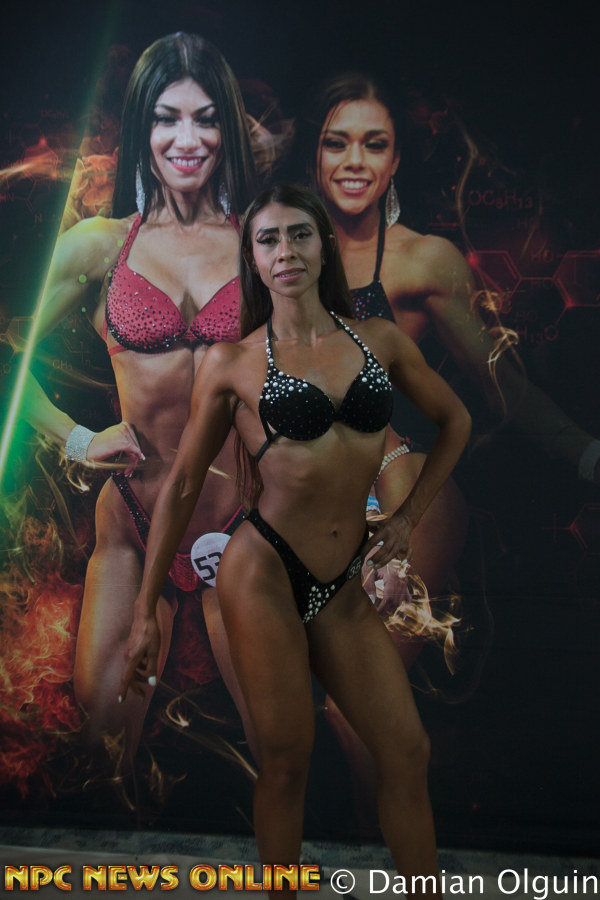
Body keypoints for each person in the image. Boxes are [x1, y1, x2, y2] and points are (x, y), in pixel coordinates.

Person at [121, 184, 472, 893]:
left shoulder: (378, 341)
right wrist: (144, 609)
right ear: (252, 258)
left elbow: (455, 421)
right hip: (264, 574)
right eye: (269, 239)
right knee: (285, 763)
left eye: (300, 235)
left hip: (343, 582)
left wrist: (406, 519)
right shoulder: (233, 362)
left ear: (324, 246)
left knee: (406, 753)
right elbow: (183, 486)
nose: (286, 251)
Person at [12, 32, 258, 768]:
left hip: (241, 526)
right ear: (140, 128)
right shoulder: (100, 245)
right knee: (104, 751)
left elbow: (331, 373)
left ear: (227, 128)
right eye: (165, 118)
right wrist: (76, 438)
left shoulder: (266, 243)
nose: (187, 139)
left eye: (205, 118)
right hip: (134, 522)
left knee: (281, 752)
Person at [299, 71, 600, 502]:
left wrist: (588, 454)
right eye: (336, 143)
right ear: (314, 153)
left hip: (381, 496)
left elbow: (502, 387)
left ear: (395, 160)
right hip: (283, 492)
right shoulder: (275, 249)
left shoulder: (423, 261)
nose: (355, 160)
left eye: (375, 145)